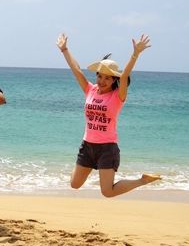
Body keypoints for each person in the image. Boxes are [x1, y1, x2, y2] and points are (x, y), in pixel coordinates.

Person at [56, 33, 161, 197]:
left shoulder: (117, 97)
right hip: (87, 146)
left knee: (107, 191)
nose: (101, 81)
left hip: (107, 148)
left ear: (114, 80)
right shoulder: (90, 90)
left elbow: (125, 75)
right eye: (99, 76)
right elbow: (76, 70)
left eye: (107, 78)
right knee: (74, 184)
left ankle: (142, 180)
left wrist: (135, 54)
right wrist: (65, 50)